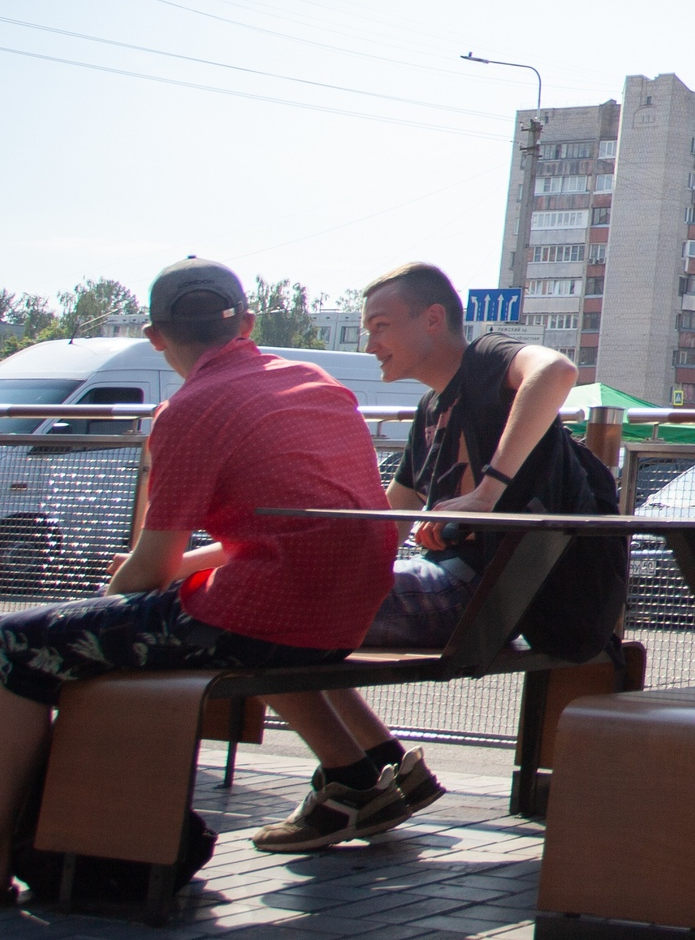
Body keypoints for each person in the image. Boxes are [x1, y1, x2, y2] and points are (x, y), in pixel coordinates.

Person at [0, 259, 403, 908]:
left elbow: (147, 568)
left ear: (156, 336)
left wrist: (88, 611)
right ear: (249, 324)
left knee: (19, 641)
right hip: (341, 613)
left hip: (265, 617)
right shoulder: (313, 382)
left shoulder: (192, 407)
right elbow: (270, 536)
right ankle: (351, 773)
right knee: (212, 624)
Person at [249, 261, 609, 854]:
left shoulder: (488, 359)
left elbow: (557, 370)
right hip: (454, 586)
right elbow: (387, 519)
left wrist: (488, 492)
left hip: (484, 595)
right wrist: (260, 555)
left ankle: (352, 784)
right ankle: (388, 768)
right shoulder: (431, 411)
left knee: (265, 612)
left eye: (381, 326)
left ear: (434, 319)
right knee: (277, 602)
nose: (370, 345)